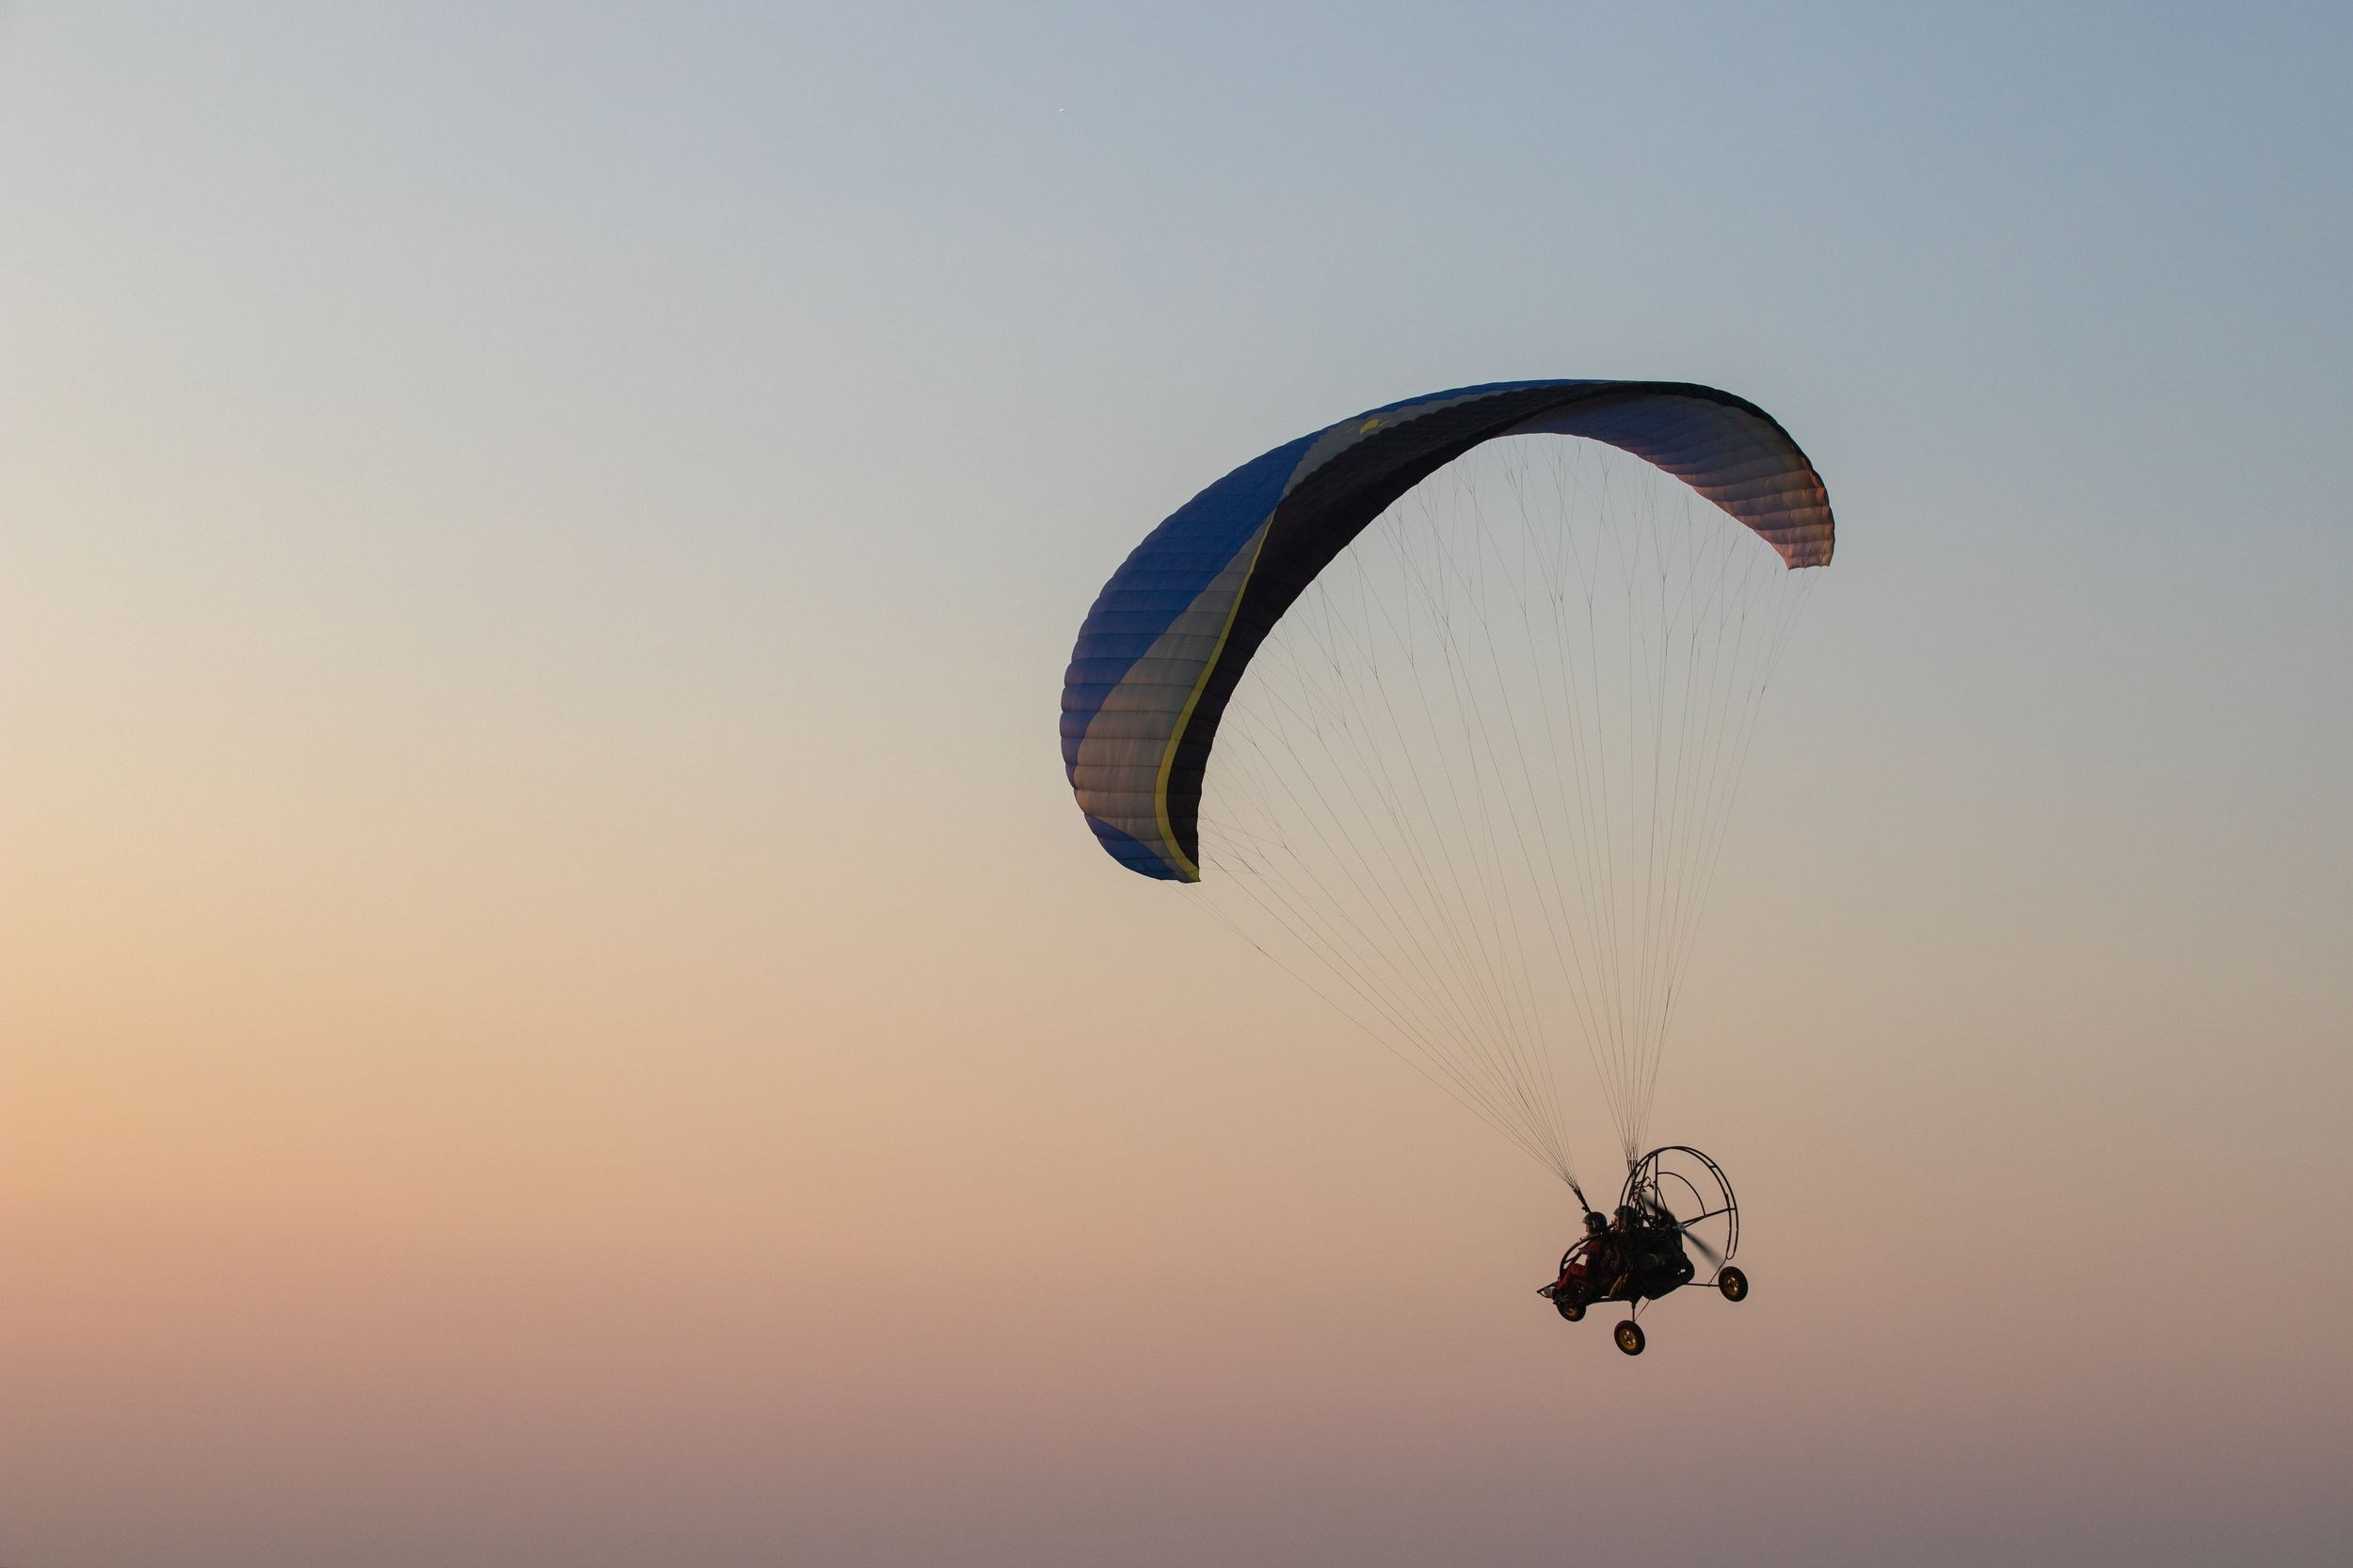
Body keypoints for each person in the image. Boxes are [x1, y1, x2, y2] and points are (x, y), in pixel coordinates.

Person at [1541, 1211, 1613, 1304]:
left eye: (1587, 1227)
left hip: (1596, 1278)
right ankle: (1566, 1288)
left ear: (1593, 1227)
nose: (1586, 1230)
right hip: (1601, 1276)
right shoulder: (1604, 1240)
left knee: (1573, 1268)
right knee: (1574, 1274)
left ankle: (1558, 1291)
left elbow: (1589, 1272)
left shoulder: (1595, 1245)